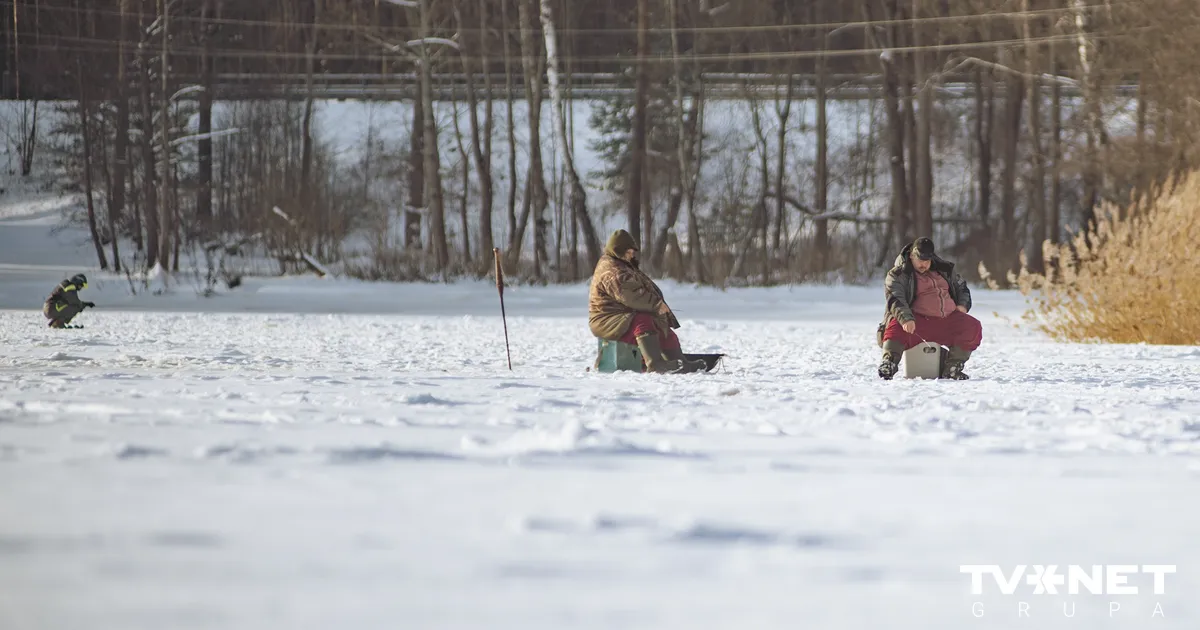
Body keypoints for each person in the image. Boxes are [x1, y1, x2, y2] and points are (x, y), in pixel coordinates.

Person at [589, 229, 706, 374]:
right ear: (618, 250)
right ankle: (656, 364)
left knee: (659, 324)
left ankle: (681, 363)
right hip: (605, 319)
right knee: (642, 320)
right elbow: (631, 296)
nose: (632, 255)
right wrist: (656, 305)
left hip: (622, 314)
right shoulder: (612, 271)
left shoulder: (621, 264)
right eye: (629, 251)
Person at [877, 237, 982, 380]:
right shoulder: (898, 275)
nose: (923, 264)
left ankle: (953, 367)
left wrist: (962, 305)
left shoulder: (944, 270)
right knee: (896, 324)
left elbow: (962, 287)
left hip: (947, 320)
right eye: (920, 260)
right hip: (917, 321)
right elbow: (895, 298)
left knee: (972, 326)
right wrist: (906, 318)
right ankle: (888, 363)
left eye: (927, 260)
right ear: (912, 255)